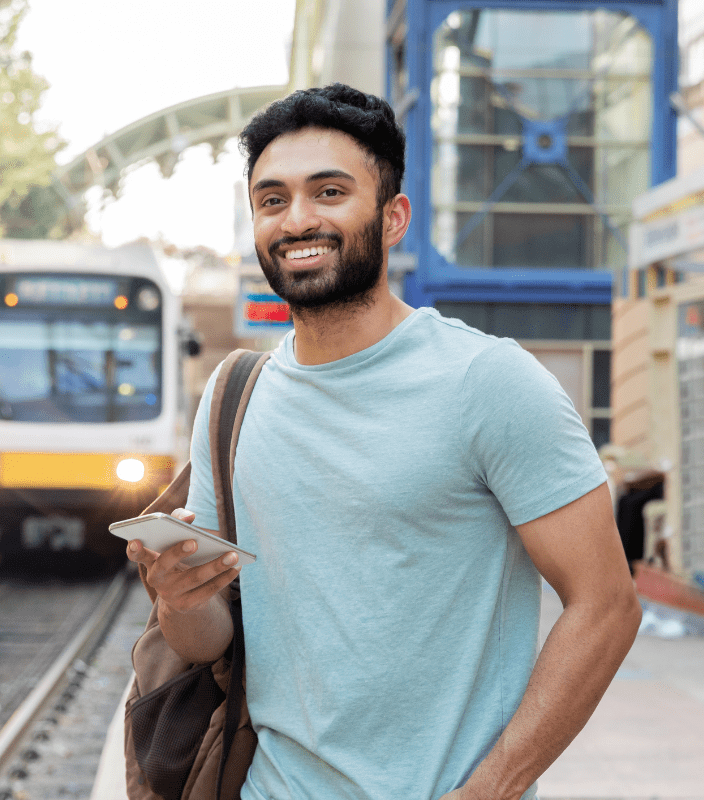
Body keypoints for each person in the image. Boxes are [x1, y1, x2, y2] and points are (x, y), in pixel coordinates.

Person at [127, 83, 642, 800]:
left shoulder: (488, 382)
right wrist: (181, 599)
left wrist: (489, 790)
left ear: (392, 217)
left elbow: (607, 605)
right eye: (272, 200)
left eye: (329, 192)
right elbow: (210, 642)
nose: (297, 219)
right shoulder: (235, 395)